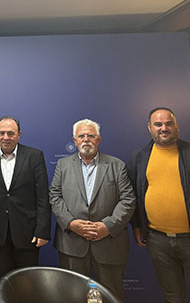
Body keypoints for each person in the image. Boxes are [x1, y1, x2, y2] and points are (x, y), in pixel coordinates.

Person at [49, 119, 135, 301]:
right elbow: (54, 196)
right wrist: (71, 223)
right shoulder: (63, 165)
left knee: (112, 296)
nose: (86, 139)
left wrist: (107, 226)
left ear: (99, 140)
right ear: (75, 141)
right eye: (81, 136)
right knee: (73, 296)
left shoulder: (117, 165)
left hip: (109, 244)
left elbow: (128, 200)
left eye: (91, 136)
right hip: (72, 244)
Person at [129, 107, 190, 303]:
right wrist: (137, 225)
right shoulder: (139, 157)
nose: (164, 128)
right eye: (158, 124)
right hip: (158, 241)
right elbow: (134, 195)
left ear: (176, 126)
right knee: (172, 296)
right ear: (149, 128)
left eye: (168, 123)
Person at [0, 116, 51, 281]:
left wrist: (43, 231)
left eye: (11, 133)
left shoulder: (34, 156)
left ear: (19, 134)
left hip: (27, 232)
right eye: (1, 133)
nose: (6, 137)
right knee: (3, 280)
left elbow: (43, 196)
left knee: (28, 281)